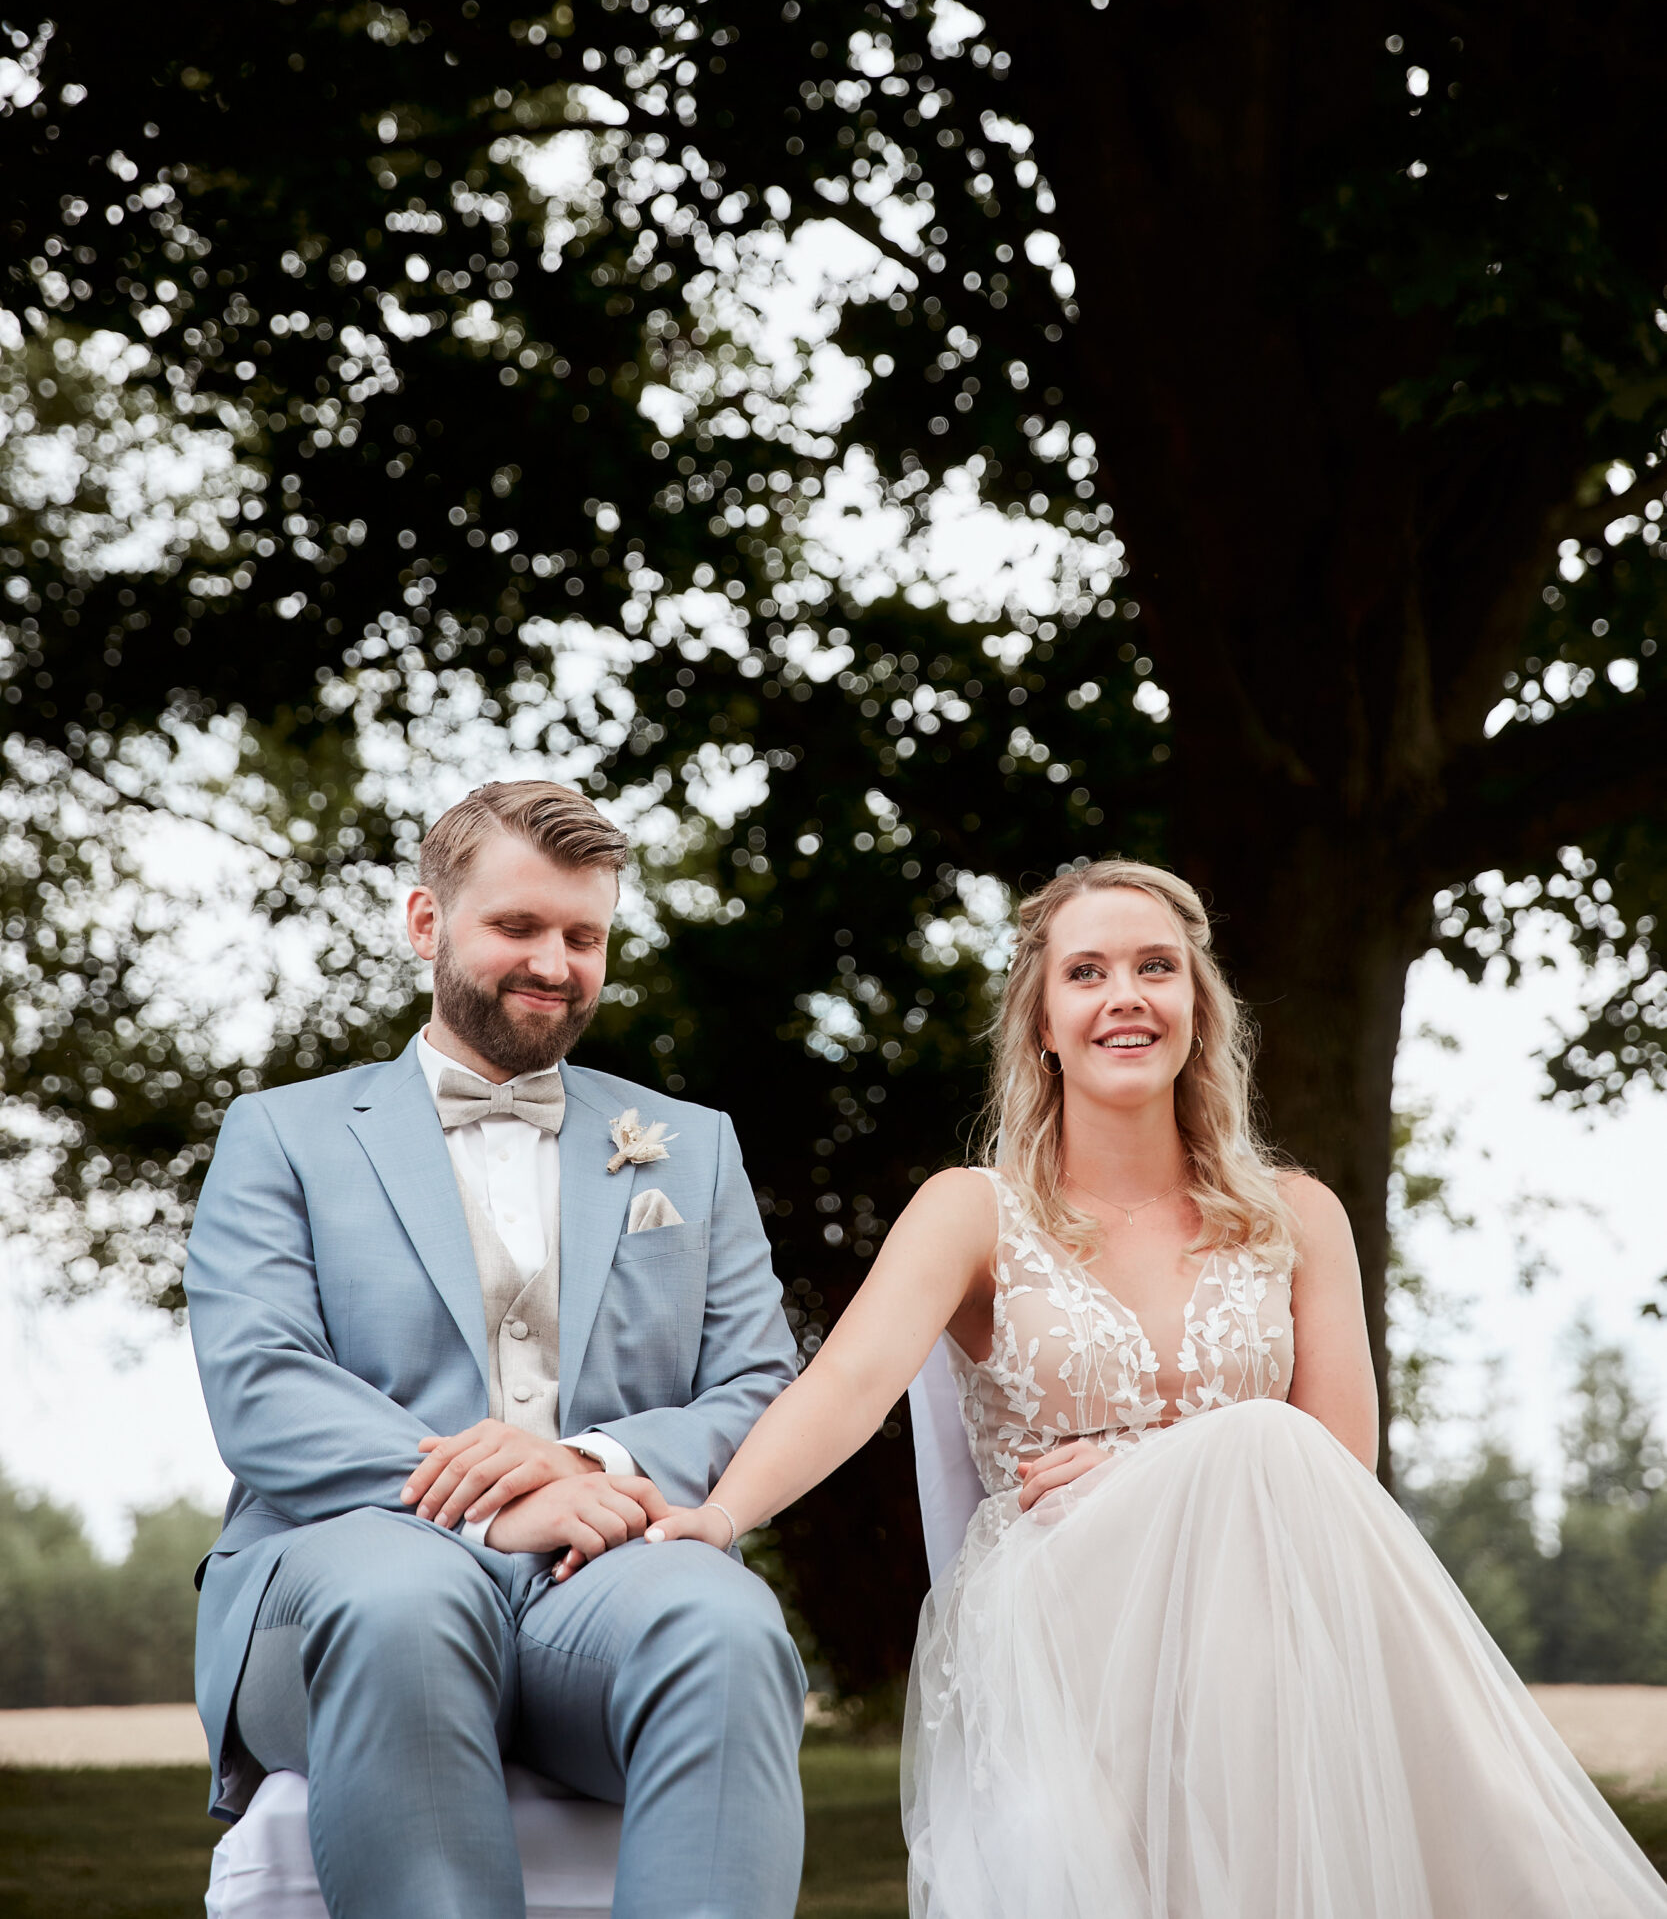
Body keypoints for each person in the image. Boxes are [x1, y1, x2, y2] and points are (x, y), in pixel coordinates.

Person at [646, 857, 1667, 1917]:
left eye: (1154, 967)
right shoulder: (971, 1211)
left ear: (1196, 1010)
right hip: (1056, 1616)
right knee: (1257, 1442)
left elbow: (1336, 1473)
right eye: (1085, 972)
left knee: (1266, 1450)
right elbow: (847, 1382)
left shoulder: (1297, 1214)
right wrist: (717, 1516)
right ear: (1042, 1024)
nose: (1123, 995)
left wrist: (1149, 1465)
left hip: (1263, 1618)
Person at [185, 779, 805, 1919]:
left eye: (583, 937)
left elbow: (759, 1383)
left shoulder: (692, 1146)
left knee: (723, 1623)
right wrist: (494, 1503)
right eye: (516, 926)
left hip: (600, 1586)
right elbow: (262, 1386)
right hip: (343, 1583)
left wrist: (590, 1464)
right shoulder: (281, 1133)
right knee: (403, 1603)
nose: (553, 964)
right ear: (426, 923)